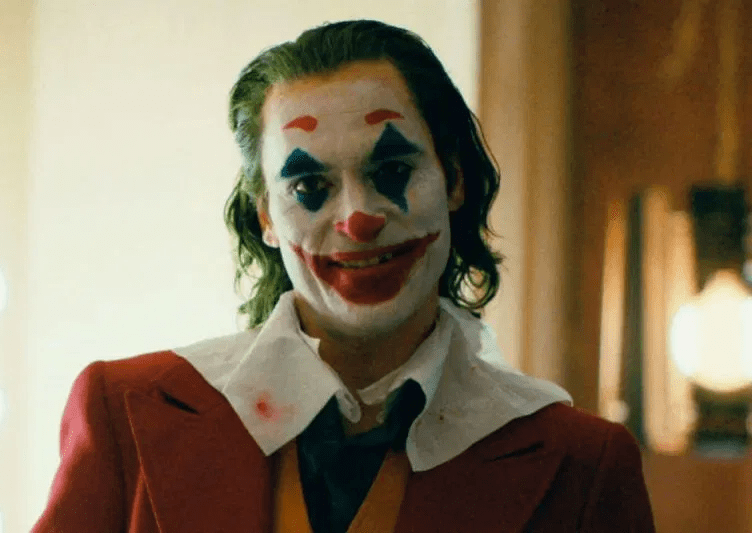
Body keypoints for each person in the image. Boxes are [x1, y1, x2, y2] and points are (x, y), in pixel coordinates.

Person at [32, 19, 655, 533]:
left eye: (392, 170)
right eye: (310, 185)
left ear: (454, 180)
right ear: (266, 217)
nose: (358, 219)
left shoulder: (583, 466)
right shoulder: (124, 413)